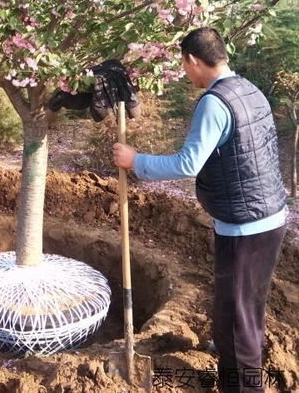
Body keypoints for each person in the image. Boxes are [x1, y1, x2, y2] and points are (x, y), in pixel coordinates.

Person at [112, 27, 287, 393]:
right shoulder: (249, 89)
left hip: (246, 226)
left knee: (239, 319)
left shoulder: (215, 102)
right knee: (240, 304)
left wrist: (135, 160)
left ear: (193, 60)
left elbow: (188, 163)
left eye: (183, 65)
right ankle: (229, 358)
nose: (185, 73)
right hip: (267, 216)